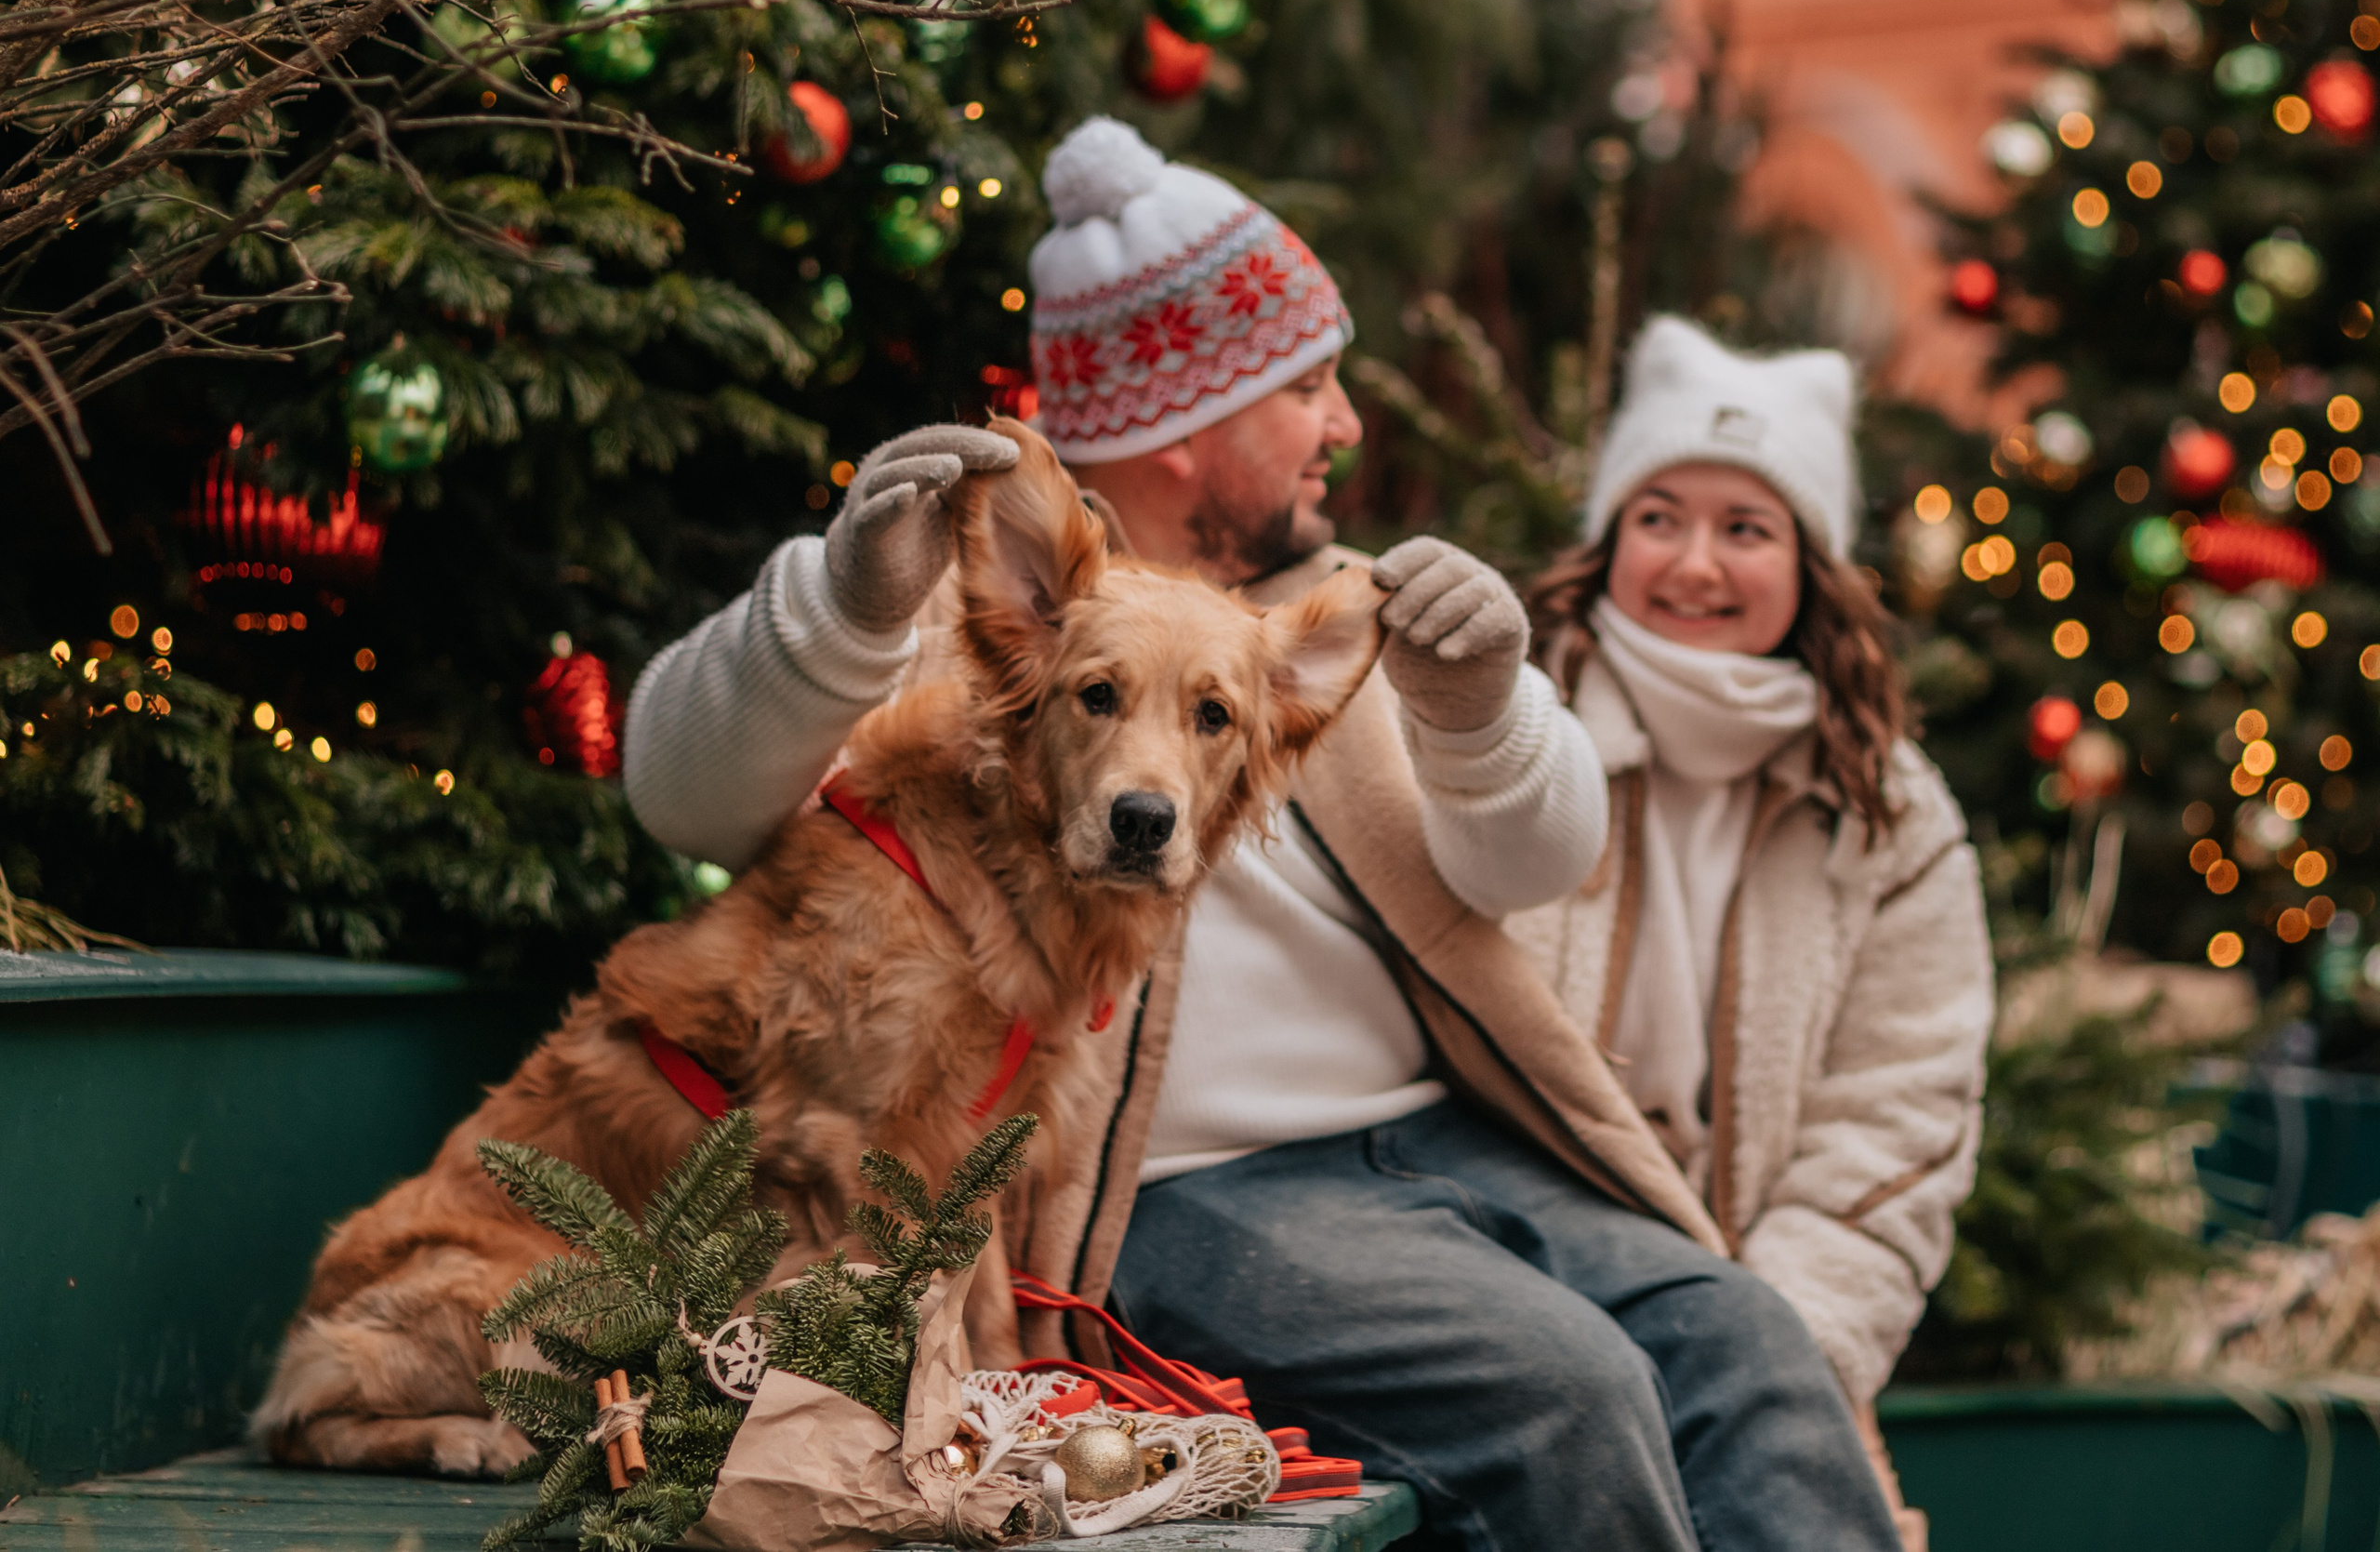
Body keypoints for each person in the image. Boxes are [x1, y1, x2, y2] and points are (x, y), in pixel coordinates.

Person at [623, 119, 1902, 1552]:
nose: (1349, 424)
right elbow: (681, 793)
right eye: (1310, 386)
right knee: (1572, 1394)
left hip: (1442, 1140)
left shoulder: (1333, 624)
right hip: (1185, 1199)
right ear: (1194, 421)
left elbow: (1537, 860)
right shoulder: (989, 621)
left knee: (1752, 1349)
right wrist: (842, 610)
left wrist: (1483, 711)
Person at [1514, 315, 1996, 1548]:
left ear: (1811, 563)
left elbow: (1903, 1107)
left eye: (1747, 529)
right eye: (1659, 516)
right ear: (1612, 535)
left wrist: (1775, 1339)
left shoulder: (1887, 811)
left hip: (1768, 1317)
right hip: (1525, 1290)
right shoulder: (1507, 740)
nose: (1694, 566)